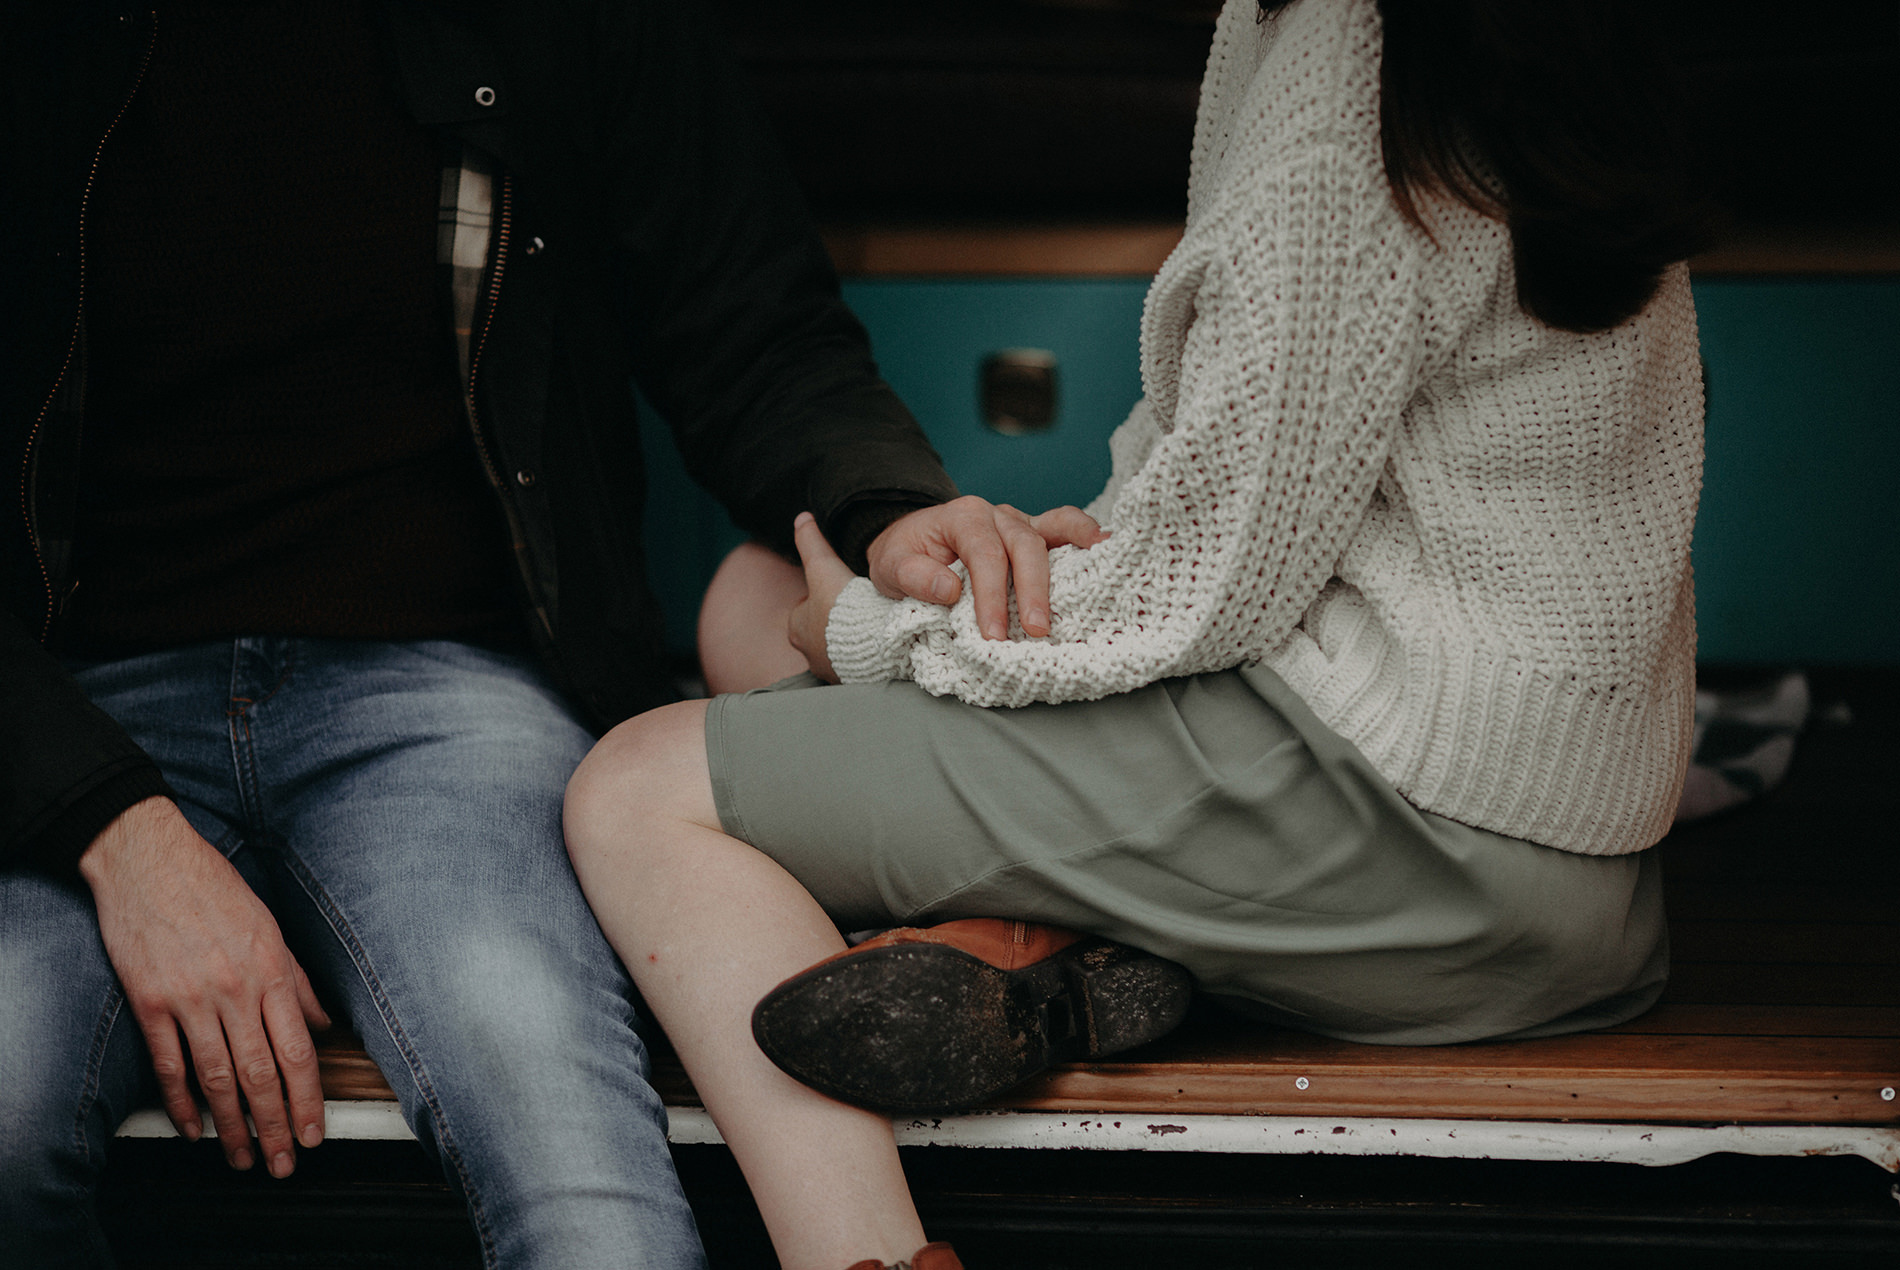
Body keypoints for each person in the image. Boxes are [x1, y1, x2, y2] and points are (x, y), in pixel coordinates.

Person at [562, 0, 1711, 1266]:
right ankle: (1032, 941)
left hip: (1395, 825)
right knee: (749, 597)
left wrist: (882, 635)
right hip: (1576, 885)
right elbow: (1232, 470)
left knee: (634, 789)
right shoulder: (1525, 43)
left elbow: (1210, 586)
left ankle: (860, 1254)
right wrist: (1066, 549)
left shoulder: (1346, 67)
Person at [0, 2, 1082, 1266]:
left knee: (578, 1180)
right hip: (62, 717)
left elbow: (751, 329)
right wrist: (120, 836)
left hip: (450, 696)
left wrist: (893, 513)